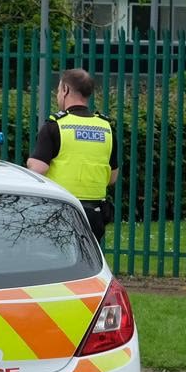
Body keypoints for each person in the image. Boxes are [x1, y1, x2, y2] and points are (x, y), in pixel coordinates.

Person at [26, 69, 118, 244]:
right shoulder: (106, 127)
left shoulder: (55, 125)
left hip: (61, 210)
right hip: (95, 214)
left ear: (66, 90)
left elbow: (38, 169)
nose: (58, 95)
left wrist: (30, 162)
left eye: (59, 90)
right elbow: (112, 177)